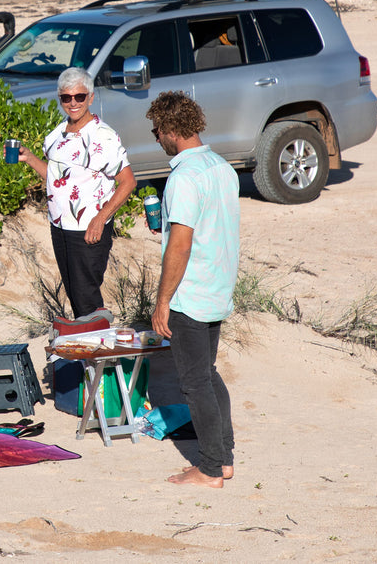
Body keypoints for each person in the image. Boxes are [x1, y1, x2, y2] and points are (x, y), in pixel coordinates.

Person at [145, 92, 240, 489]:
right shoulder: (221, 167)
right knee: (208, 374)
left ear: (169, 130)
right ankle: (225, 457)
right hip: (217, 283)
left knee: (195, 382)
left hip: (192, 291)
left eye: (155, 132)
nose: (156, 139)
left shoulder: (183, 177)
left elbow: (181, 244)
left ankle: (211, 468)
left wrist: (163, 300)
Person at [17, 66, 137, 319]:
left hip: (88, 228)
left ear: (91, 97)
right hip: (60, 226)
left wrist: (100, 218)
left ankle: (101, 354)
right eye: (66, 97)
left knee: (87, 300)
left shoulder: (103, 136)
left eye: (79, 96)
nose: (73, 103)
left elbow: (127, 182)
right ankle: (87, 355)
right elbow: (56, 177)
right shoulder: (58, 134)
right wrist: (29, 158)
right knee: (76, 296)